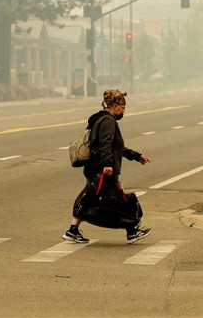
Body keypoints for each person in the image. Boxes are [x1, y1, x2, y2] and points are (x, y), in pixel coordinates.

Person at [63, 89, 151, 244]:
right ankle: (132, 231)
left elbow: (117, 147)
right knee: (122, 200)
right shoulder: (108, 121)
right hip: (103, 169)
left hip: (94, 167)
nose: (124, 110)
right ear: (115, 105)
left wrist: (136, 156)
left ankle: (72, 230)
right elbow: (106, 144)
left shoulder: (98, 119)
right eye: (123, 106)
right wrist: (107, 164)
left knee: (90, 198)